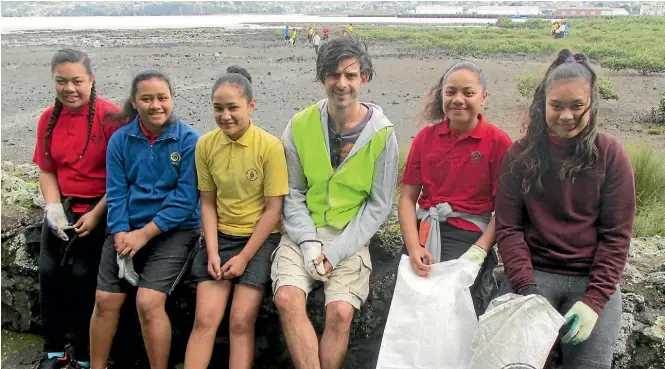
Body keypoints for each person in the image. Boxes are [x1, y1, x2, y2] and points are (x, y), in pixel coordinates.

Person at [495, 49, 636, 369]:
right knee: (515, 362)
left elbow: (616, 236)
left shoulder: (611, 155)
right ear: (542, 104)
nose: (566, 115)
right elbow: (509, 228)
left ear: (592, 106)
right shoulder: (519, 155)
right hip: (534, 273)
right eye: (556, 106)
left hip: (590, 277)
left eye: (577, 106)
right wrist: (527, 291)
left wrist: (595, 300)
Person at [271, 36, 399, 369]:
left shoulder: (383, 134)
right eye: (333, 74)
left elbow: (379, 205)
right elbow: (293, 192)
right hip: (303, 232)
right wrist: (310, 243)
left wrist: (336, 251)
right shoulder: (299, 126)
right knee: (287, 298)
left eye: (350, 75)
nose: (341, 84)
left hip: (350, 236)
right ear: (322, 77)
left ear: (364, 78)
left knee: (341, 312)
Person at [89, 70, 201, 369]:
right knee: (105, 300)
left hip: (175, 231)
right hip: (127, 229)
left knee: (148, 302)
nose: (156, 105)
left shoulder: (189, 140)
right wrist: (122, 231)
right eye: (147, 98)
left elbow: (186, 199)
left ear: (172, 99)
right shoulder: (122, 140)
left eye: (162, 98)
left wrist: (144, 234)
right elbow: (116, 191)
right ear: (134, 103)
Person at [183, 66, 288, 369]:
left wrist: (243, 257)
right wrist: (213, 251)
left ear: (251, 106)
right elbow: (207, 202)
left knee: (241, 321)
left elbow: (273, 209)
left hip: (259, 240)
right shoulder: (205, 145)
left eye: (233, 108)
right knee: (204, 319)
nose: (225, 115)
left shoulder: (269, 147)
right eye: (218, 108)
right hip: (220, 237)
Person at [398, 61, 512, 316]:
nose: (458, 100)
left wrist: (478, 253)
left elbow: (504, 209)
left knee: (449, 312)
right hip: (425, 228)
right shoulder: (425, 138)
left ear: (484, 98)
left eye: (468, 93)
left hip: (469, 234)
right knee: (408, 309)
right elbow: (408, 198)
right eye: (450, 92)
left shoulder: (498, 142)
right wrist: (413, 246)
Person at [33, 48, 121, 369]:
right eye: (61, 81)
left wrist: (96, 214)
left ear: (91, 80)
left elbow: (122, 177)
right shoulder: (47, 119)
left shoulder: (111, 118)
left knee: (86, 279)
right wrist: (53, 207)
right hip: (64, 211)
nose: (69, 88)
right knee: (49, 274)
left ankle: (84, 355)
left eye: (77, 81)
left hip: (102, 210)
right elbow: (46, 169)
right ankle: (53, 351)